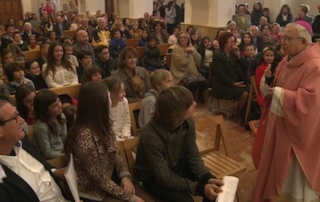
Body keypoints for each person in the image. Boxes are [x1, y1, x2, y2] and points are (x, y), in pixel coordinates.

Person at [252, 21, 320, 201]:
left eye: (288, 39)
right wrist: (268, 82)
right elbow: (276, 85)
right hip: (280, 123)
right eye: (282, 37)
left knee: (292, 179)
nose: (282, 42)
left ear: (303, 41)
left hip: (297, 135)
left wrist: (282, 95)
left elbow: (312, 102)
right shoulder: (287, 59)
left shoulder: (314, 66)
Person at [64, 82, 154, 202]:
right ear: (99, 103)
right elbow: (98, 178)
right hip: (92, 191)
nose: (111, 100)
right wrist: (130, 198)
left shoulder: (103, 125)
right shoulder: (83, 136)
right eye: (108, 97)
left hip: (111, 179)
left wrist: (124, 175)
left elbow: (115, 152)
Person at [134, 86, 224, 202]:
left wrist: (206, 178)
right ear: (176, 113)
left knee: (213, 188)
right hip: (152, 177)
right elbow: (164, 177)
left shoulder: (188, 122)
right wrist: (199, 188)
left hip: (176, 166)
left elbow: (193, 156)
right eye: (190, 104)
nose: (195, 104)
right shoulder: (150, 135)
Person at [0, 97, 68, 201]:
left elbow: (40, 164)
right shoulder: (2, 181)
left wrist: (54, 172)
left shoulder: (22, 139)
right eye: (15, 117)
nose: (22, 120)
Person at [212, 32, 249, 125]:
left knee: (251, 89)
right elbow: (220, 75)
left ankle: (247, 113)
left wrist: (239, 56)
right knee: (244, 93)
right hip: (223, 84)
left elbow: (245, 68)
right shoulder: (218, 55)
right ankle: (237, 115)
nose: (234, 44)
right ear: (224, 43)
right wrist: (233, 83)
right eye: (231, 42)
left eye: (234, 42)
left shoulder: (234, 53)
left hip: (236, 81)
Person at [170, 31, 207, 103]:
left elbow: (198, 59)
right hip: (182, 72)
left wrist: (193, 51)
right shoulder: (176, 49)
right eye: (180, 38)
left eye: (184, 38)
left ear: (188, 39)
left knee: (203, 82)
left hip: (193, 71)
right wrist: (189, 55)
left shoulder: (191, 47)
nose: (182, 39)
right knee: (192, 84)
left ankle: (200, 95)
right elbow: (180, 63)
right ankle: (190, 98)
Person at [33, 90, 67, 160]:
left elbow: (64, 138)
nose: (60, 106)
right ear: (46, 111)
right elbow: (47, 153)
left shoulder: (61, 117)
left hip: (63, 153)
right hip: (52, 159)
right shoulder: (41, 127)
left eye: (59, 101)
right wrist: (65, 155)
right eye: (54, 106)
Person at [103, 77, 133, 141]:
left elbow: (126, 122)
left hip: (123, 137)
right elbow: (105, 131)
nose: (124, 94)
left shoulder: (124, 101)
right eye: (121, 91)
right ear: (111, 93)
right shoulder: (103, 106)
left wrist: (125, 135)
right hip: (110, 140)